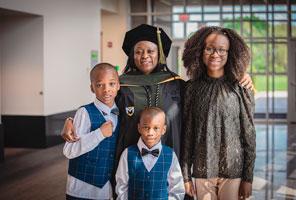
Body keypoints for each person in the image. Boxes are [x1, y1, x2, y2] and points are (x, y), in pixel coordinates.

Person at [61, 24, 253, 160]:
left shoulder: (177, 84)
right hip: (129, 158)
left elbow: (208, 93)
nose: (144, 56)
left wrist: (238, 75)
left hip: (171, 154)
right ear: (132, 55)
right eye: (138, 51)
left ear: (159, 54)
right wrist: (72, 120)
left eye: (150, 51)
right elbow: (102, 107)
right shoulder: (122, 85)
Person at [181, 26, 256, 200]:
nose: (215, 54)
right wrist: (186, 176)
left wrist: (248, 178)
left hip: (234, 171)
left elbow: (249, 135)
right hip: (202, 170)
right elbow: (187, 135)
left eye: (222, 49)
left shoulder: (241, 87)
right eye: (209, 49)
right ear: (200, 51)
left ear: (231, 53)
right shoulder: (191, 88)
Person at [63, 63, 120, 199]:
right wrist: (99, 134)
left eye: (111, 84)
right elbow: (69, 150)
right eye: (100, 85)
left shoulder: (121, 112)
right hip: (81, 188)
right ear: (92, 88)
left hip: (107, 189)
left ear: (118, 85)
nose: (106, 90)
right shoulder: (84, 112)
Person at [115, 107, 185, 199]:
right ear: (139, 128)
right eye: (146, 127)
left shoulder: (170, 155)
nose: (150, 133)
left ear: (163, 130)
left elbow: (177, 188)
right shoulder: (127, 153)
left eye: (156, 128)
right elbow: (121, 187)